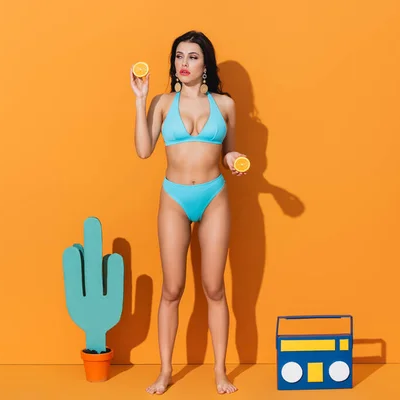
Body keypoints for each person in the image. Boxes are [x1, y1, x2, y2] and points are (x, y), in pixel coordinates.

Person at [130, 30, 247, 395]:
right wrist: (140, 100)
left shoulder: (225, 105)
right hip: (174, 198)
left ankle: (220, 372)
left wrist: (232, 159)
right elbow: (144, 151)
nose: (184, 63)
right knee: (172, 287)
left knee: (214, 287)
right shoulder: (163, 103)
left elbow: (230, 153)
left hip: (214, 197)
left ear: (205, 64)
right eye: (179, 56)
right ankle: (165, 371)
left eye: (193, 57)